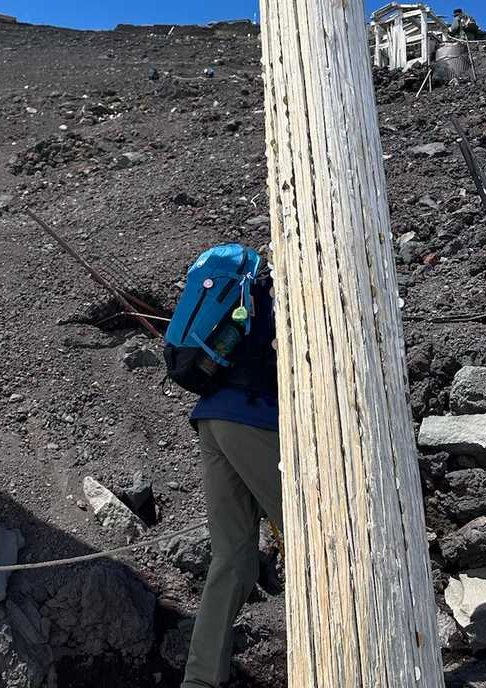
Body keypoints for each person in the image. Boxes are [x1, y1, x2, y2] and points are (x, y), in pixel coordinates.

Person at [182, 269, 280, 688]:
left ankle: (200, 681)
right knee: (313, 537)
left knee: (233, 558)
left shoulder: (245, 292)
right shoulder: (286, 292)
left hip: (212, 419)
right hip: (254, 417)